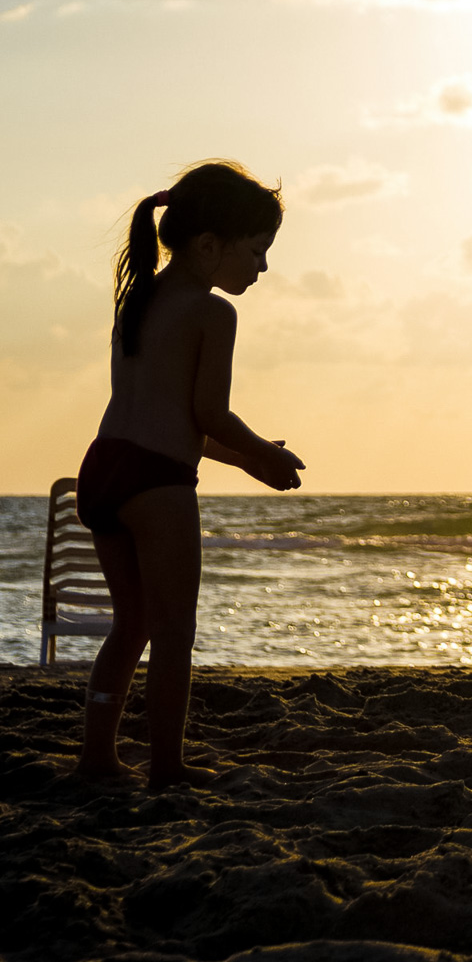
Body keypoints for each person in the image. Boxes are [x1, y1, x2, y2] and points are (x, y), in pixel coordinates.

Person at [74, 161, 305, 788]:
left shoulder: (139, 299)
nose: (261, 267)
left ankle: (97, 758)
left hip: (104, 468)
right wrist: (267, 450)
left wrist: (248, 460)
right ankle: (167, 767)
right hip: (156, 484)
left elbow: (174, 425)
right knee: (174, 631)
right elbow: (208, 413)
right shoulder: (212, 315)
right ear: (210, 245)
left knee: (132, 625)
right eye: (257, 251)